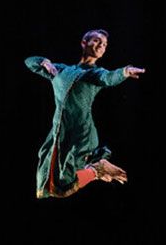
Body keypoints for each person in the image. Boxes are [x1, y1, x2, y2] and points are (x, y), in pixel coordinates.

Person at [25, 29, 144, 198]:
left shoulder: (95, 73)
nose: (101, 45)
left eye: (104, 44)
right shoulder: (60, 71)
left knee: (64, 184)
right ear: (84, 42)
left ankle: (97, 170)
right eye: (97, 40)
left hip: (81, 133)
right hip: (60, 132)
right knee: (50, 183)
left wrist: (124, 72)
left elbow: (109, 78)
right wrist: (44, 61)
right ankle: (97, 169)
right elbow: (29, 62)